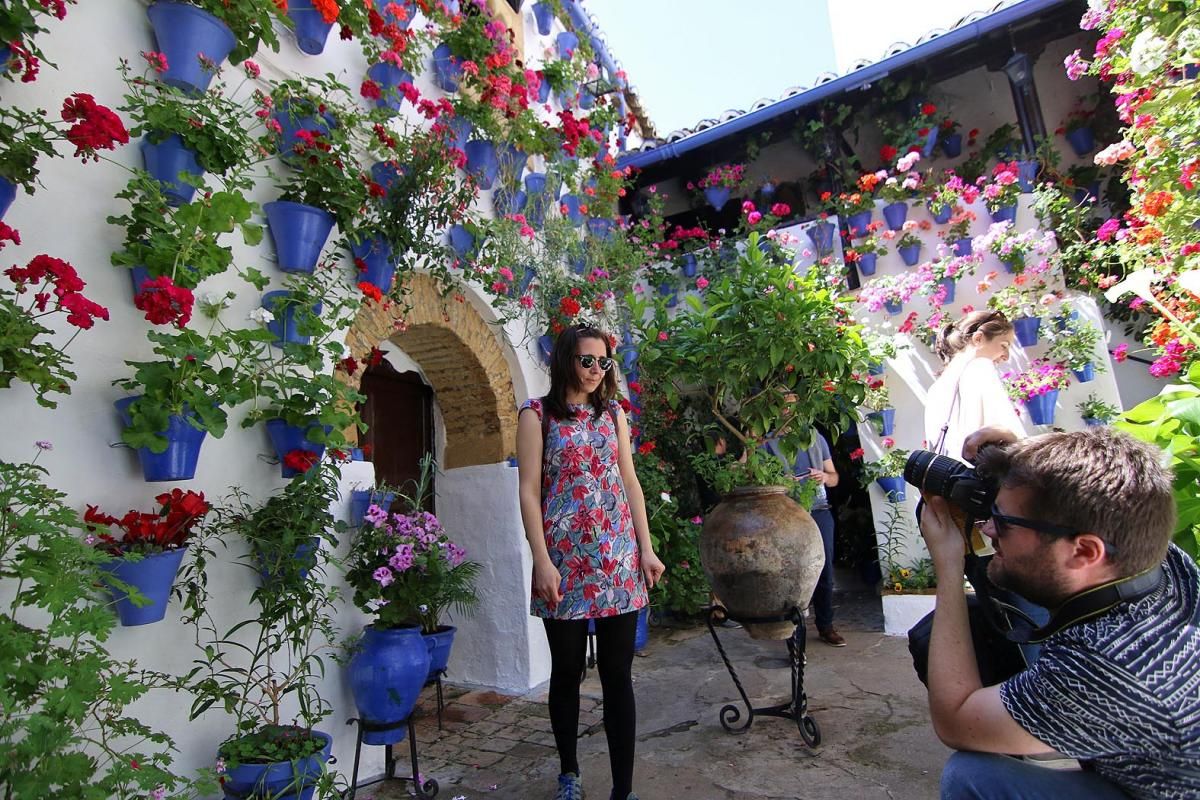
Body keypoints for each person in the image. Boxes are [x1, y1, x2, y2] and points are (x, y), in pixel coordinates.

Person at [918, 425, 1200, 800]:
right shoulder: (1159, 563)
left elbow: (955, 721)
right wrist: (1025, 461)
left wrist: (949, 566)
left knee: (970, 776)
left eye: (1003, 521)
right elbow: (1092, 493)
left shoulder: (1106, 667)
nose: (987, 528)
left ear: (1084, 551)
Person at [516, 325, 666, 800]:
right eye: (587, 361)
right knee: (567, 673)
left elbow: (630, 482)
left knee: (618, 676)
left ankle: (623, 790)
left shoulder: (614, 413)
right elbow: (528, 492)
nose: (596, 371)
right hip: (563, 564)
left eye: (604, 363)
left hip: (618, 560)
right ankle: (569, 773)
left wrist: (646, 548)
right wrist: (541, 560)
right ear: (565, 361)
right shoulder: (536, 415)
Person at [769, 429, 844, 646]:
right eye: (783, 404)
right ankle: (793, 635)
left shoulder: (814, 437)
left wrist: (824, 476)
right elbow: (746, 470)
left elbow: (834, 478)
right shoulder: (768, 441)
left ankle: (826, 626)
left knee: (824, 570)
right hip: (785, 513)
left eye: (792, 404)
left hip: (819, 509)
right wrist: (778, 481)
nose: (788, 411)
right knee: (791, 574)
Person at [924, 309, 1022, 464]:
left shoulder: (936, 388)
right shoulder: (980, 367)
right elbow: (1012, 439)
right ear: (978, 339)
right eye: (1004, 345)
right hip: (978, 480)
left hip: (952, 483)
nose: (1006, 356)